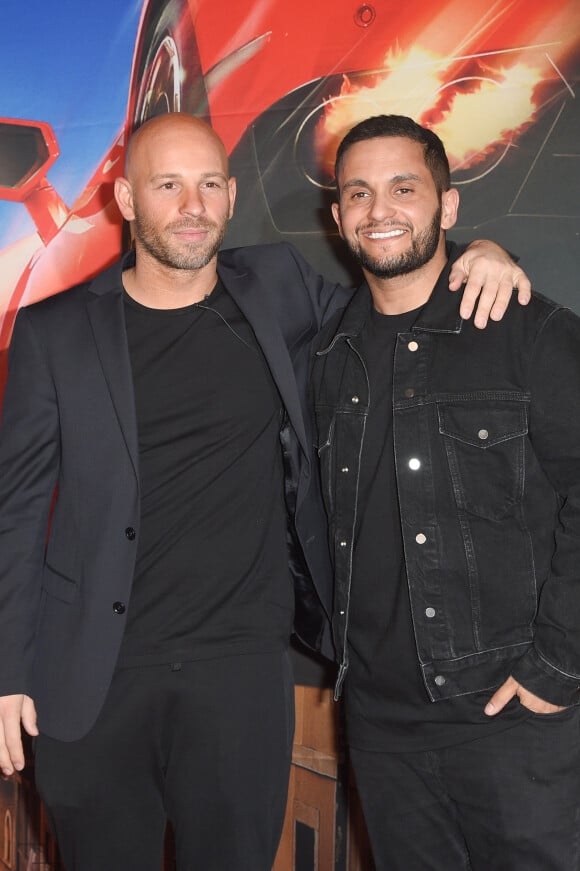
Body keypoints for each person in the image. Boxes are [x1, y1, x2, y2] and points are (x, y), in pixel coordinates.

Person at [0, 112, 529, 871]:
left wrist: (486, 252)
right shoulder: (55, 332)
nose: (193, 204)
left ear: (232, 192)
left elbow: (398, 296)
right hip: (91, 677)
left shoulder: (279, 290)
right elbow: (14, 513)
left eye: (210, 183)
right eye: (168, 185)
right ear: (124, 198)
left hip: (239, 675)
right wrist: (6, 673)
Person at [311, 113, 580, 871]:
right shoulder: (329, 354)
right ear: (337, 218)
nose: (380, 209)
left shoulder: (522, 330)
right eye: (358, 193)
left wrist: (558, 668)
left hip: (514, 720)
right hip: (383, 728)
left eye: (403, 187)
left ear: (448, 205)